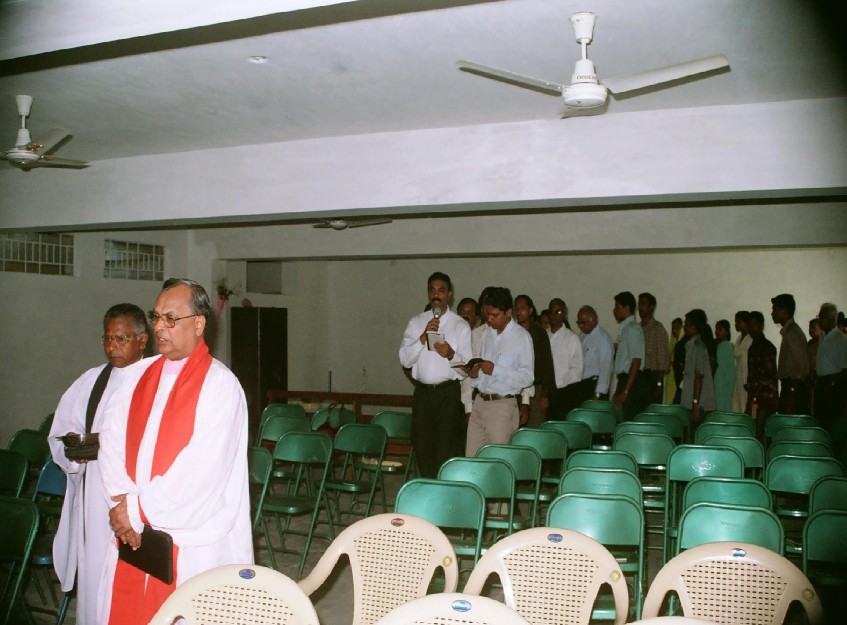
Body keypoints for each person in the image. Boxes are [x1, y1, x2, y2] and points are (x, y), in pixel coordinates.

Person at [98, 279, 252, 625]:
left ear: (199, 324)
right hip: (135, 529)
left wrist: (137, 509)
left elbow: (202, 470)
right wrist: (122, 502)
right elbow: (111, 440)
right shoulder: (138, 376)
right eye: (156, 318)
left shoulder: (219, 385)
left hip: (192, 540)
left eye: (171, 319)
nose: (159, 327)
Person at [48, 304, 150, 625]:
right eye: (107, 339)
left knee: (134, 581)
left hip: (137, 497)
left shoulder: (156, 379)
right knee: (96, 578)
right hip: (95, 497)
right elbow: (60, 434)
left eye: (121, 339)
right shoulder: (92, 381)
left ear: (142, 340)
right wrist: (75, 453)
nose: (112, 347)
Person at [399, 272, 471, 478]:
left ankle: (444, 493)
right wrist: (423, 338)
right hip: (423, 395)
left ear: (449, 294)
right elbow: (404, 359)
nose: (436, 295)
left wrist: (450, 354)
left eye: (441, 290)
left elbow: (466, 369)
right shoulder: (416, 322)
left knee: (446, 448)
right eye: (432, 290)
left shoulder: (460, 325)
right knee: (423, 446)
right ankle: (428, 489)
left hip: (447, 395)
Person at [465, 288, 534, 456]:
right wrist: (475, 377)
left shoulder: (521, 337)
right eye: (487, 314)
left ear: (509, 312)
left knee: (498, 462)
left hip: (502, 407)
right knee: (472, 459)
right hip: (480, 401)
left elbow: (527, 378)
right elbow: (484, 374)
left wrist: (496, 370)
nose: (489, 319)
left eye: (494, 315)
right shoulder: (487, 334)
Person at [514, 294, 555, 427]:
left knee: (534, 427)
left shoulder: (539, 333)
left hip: (536, 389)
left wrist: (545, 394)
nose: (519, 311)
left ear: (530, 310)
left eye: (522, 308)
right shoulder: (513, 333)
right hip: (516, 388)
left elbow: (547, 365)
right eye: (517, 308)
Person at [771, 293, 810, 414]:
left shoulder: (792, 332)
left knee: (790, 426)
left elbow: (801, 366)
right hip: (790, 388)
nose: (772, 313)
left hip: (793, 389)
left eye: (775, 309)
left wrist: (792, 392)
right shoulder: (789, 331)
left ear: (784, 311)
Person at [545, 298, 584, 420]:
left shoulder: (571, 338)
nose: (554, 315)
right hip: (544, 393)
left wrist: (559, 383)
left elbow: (578, 370)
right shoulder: (543, 335)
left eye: (558, 312)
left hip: (564, 392)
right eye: (551, 312)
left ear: (565, 315)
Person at [612, 291, 647, 419]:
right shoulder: (625, 329)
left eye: (617, 307)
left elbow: (636, 361)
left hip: (631, 382)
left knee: (628, 420)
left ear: (626, 308)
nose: (614, 310)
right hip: (625, 380)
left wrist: (625, 391)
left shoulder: (632, 329)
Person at [814, 303, 847, 436]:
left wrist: (832, 384)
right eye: (819, 316)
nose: (819, 320)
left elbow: (845, 368)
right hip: (821, 382)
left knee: (831, 424)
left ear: (832, 319)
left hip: (834, 385)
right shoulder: (823, 337)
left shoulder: (841, 339)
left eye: (822, 317)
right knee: (820, 422)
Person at [745, 311, 778, 440]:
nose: (751, 328)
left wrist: (754, 395)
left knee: (760, 434)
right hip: (755, 397)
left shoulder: (766, 347)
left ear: (761, 326)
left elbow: (769, 374)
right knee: (753, 432)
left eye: (754, 325)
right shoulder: (753, 346)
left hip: (765, 398)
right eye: (749, 325)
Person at [681, 309, 717, 424]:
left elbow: (699, 377)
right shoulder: (691, 345)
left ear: (693, 326)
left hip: (699, 403)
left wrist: (695, 404)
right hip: (693, 401)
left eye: (686, 323)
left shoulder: (698, 347)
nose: (684, 326)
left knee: (695, 436)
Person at [575, 305, 614, 402]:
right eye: (578, 323)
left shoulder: (602, 339)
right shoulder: (583, 336)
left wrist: (597, 394)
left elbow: (606, 368)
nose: (580, 326)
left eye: (583, 323)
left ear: (593, 320)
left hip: (594, 387)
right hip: (582, 386)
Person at [638, 293, 670, 403]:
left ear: (652, 307)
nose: (640, 307)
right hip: (638, 377)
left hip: (652, 378)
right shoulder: (637, 329)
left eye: (643, 304)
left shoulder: (658, 329)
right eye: (639, 304)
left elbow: (663, 360)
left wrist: (659, 384)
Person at [731, 311, 753, 413]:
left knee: (746, 406)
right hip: (738, 378)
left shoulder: (751, 339)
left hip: (747, 379)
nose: (736, 324)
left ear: (746, 323)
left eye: (738, 321)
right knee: (736, 406)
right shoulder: (739, 339)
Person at [713, 319, 736, 412]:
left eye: (720, 329)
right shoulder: (716, 345)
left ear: (726, 332)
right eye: (716, 329)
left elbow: (730, 369)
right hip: (717, 381)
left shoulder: (727, 346)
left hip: (725, 382)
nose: (717, 332)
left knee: (723, 404)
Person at [665, 317, 683, 404]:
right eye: (673, 328)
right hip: (671, 376)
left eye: (677, 328)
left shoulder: (684, 346)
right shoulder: (672, 345)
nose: (674, 331)